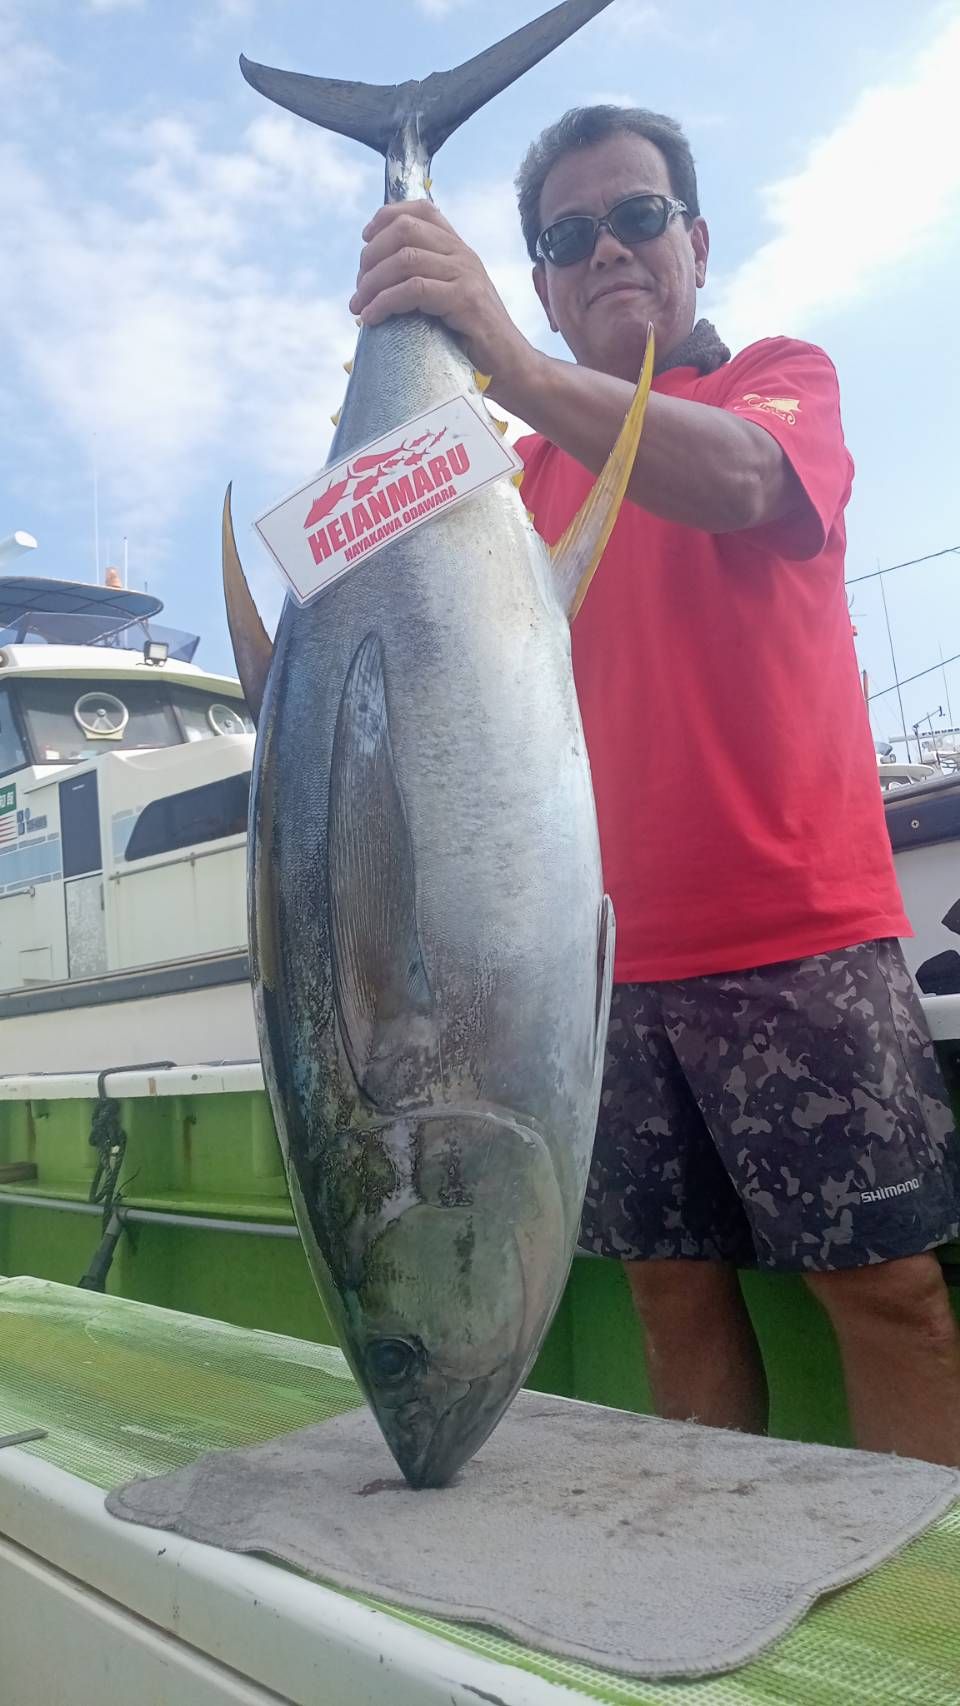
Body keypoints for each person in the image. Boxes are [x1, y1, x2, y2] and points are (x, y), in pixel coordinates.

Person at [349, 105, 960, 1464]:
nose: (610, 249)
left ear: (696, 240)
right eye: (571, 236)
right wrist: (405, 352)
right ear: (545, 278)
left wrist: (504, 361)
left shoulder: (775, 384)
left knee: (890, 1300)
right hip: (588, 971)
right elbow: (377, 595)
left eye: (638, 216)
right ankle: (712, 1565)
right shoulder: (501, 474)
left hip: (798, 937)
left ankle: (924, 1587)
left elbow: (742, 484)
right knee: (669, 1299)